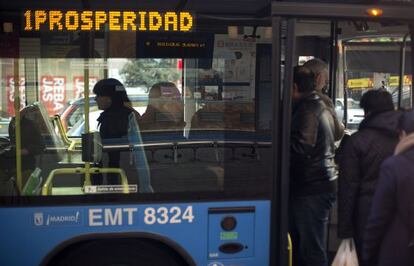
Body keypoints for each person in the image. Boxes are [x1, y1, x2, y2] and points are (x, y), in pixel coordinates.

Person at [337, 89, 402, 263]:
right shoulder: (406, 138)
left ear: (367, 112)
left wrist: (345, 230)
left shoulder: (357, 141)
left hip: (367, 215)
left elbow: (348, 187)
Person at [289, 65, 337, 266]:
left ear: (293, 87)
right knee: (306, 245)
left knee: (311, 249)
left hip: (312, 186)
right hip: (317, 183)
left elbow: (301, 148)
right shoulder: (317, 105)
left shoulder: (308, 110)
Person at [363, 109, 414, 266]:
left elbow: (378, 218)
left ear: (403, 134)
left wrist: (367, 254)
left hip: (400, 251)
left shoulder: (394, 167)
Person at [93, 78, 137, 185]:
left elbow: (111, 152)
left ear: (110, 98)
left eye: (99, 95)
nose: (95, 99)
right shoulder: (127, 113)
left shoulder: (114, 119)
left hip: (116, 170)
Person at [304, 58, 344, 141]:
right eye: (326, 80)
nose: (326, 84)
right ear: (318, 78)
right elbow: (336, 133)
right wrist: (342, 127)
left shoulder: (294, 96)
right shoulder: (322, 100)